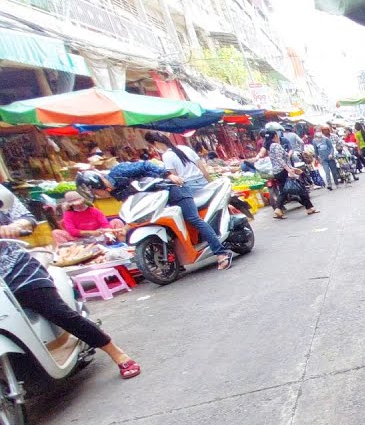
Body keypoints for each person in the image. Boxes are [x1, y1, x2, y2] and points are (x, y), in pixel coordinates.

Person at [0, 193, 139, 379]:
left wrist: (16, 226)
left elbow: (25, 218)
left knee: (57, 311)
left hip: (15, 268)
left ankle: (116, 352)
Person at [78, 162, 235, 270]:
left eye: (95, 192)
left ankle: (221, 252)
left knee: (192, 219)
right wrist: (126, 228)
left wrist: (168, 176)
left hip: (173, 190)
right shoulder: (116, 191)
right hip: (157, 202)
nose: (97, 196)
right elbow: (134, 206)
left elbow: (146, 165)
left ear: (98, 185)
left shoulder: (119, 172)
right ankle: (175, 262)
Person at [256, 123, 318, 219]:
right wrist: (289, 170)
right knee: (299, 187)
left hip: (278, 172)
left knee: (284, 191)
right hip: (283, 171)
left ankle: (278, 209)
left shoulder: (269, 146)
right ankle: (309, 208)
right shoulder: (275, 146)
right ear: (275, 135)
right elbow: (280, 160)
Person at [145, 130, 210, 190]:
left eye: (152, 146)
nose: (154, 148)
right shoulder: (186, 148)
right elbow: (203, 169)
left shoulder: (166, 156)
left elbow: (175, 179)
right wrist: (210, 183)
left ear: (156, 143)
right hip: (203, 181)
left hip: (189, 186)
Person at [52, 191, 124, 244]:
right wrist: (90, 232)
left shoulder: (94, 211)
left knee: (117, 221)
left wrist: (105, 230)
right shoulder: (68, 214)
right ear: (71, 205)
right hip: (79, 239)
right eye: (75, 205)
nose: (79, 206)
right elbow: (72, 231)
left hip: (99, 236)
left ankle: (122, 244)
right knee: (56, 232)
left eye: (80, 203)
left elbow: (105, 224)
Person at [313, 126, 338, 190]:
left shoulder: (326, 139)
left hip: (330, 158)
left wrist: (331, 154)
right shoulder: (314, 141)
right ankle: (329, 185)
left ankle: (336, 182)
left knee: (334, 171)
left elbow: (331, 147)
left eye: (319, 131)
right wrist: (316, 158)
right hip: (323, 159)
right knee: (327, 172)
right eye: (317, 132)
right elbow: (316, 150)